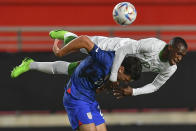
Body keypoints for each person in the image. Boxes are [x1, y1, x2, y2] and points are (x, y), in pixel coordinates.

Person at [11, 40, 142, 131]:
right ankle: (31, 63)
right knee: (64, 67)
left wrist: (106, 87)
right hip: (77, 97)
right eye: (126, 79)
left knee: (65, 68)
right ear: (121, 69)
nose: (125, 82)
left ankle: (31, 64)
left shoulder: (113, 73)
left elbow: (97, 88)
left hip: (89, 97)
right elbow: (84, 40)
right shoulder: (106, 60)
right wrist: (61, 52)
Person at [49, 29, 188, 96]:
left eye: (182, 56)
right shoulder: (153, 45)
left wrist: (133, 91)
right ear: (170, 48)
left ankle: (32, 64)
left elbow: (155, 85)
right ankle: (64, 34)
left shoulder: (170, 68)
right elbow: (122, 51)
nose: (179, 58)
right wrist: (113, 77)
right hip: (113, 49)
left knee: (81, 69)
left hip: (119, 66)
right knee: (80, 45)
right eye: (178, 54)